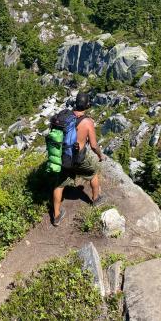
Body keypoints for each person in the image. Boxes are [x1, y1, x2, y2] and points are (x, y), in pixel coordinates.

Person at [53, 91, 106, 226]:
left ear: (76, 103)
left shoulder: (66, 117)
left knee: (59, 185)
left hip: (64, 158)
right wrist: (100, 155)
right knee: (93, 173)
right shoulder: (87, 122)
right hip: (78, 159)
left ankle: (56, 215)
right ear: (87, 105)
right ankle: (95, 199)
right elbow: (93, 145)